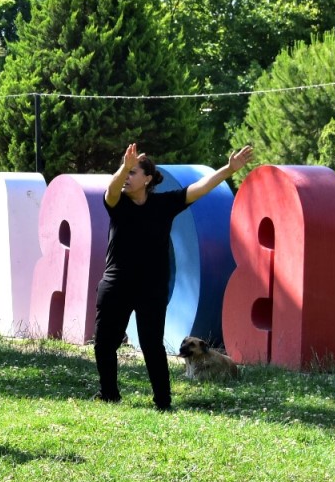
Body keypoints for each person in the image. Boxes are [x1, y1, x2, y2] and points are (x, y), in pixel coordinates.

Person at [96, 142, 254, 410]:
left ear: (147, 179)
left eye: (133, 173)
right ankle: (109, 393)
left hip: (151, 288)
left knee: (152, 347)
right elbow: (111, 189)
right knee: (104, 344)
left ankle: (163, 402)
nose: (127, 177)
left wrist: (228, 169)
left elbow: (200, 188)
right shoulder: (118, 203)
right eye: (125, 172)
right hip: (116, 284)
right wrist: (124, 166)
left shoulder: (164, 204)